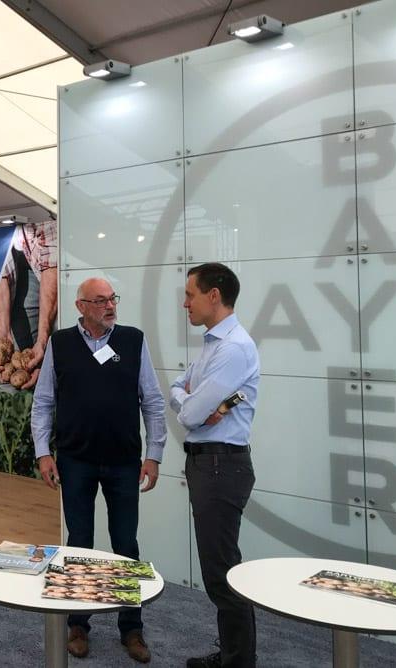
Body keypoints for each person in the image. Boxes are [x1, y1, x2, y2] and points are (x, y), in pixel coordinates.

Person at [31, 277, 166, 664]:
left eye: (112, 299)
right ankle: (78, 624)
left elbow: (152, 401)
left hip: (124, 462)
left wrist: (154, 454)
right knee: (79, 542)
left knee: (126, 544)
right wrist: (43, 452)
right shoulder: (60, 344)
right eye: (101, 300)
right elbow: (43, 402)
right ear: (81, 307)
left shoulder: (133, 340)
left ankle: (131, 627)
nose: (110, 306)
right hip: (75, 461)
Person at [169, 263, 259, 668]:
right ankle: (233, 656)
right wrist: (189, 401)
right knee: (218, 570)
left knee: (221, 573)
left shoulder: (233, 349)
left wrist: (190, 404)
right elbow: (179, 393)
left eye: (190, 295)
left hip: (222, 466)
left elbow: (189, 414)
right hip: (211, 465)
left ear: (214, 296)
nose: (185, 303)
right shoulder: (214, 345)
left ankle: (238, 662)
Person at [0, 219, 58, 390]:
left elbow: (53, 267)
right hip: (21, 253)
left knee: (53, 345)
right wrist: (2, 330)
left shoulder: (45, 219)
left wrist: (42, 340)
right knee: (18, 349)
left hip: (56, 262)